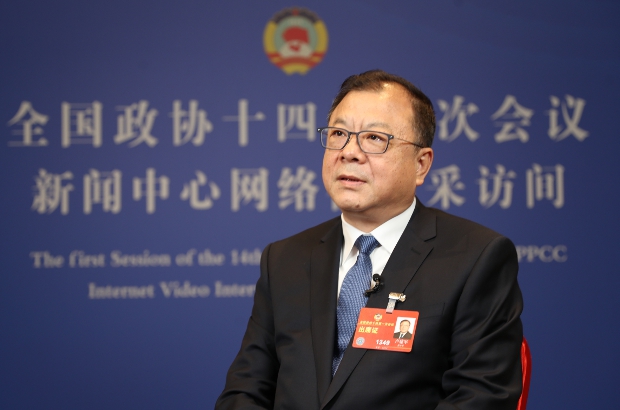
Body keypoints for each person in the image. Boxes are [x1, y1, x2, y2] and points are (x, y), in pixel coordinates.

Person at [215, 70, 523, 409]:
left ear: (421, 165)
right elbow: (245, 391)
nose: (349, 152)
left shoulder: (475, 257)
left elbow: (481, 397)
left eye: (374, 138)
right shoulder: (284, 259)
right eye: (338, 134)